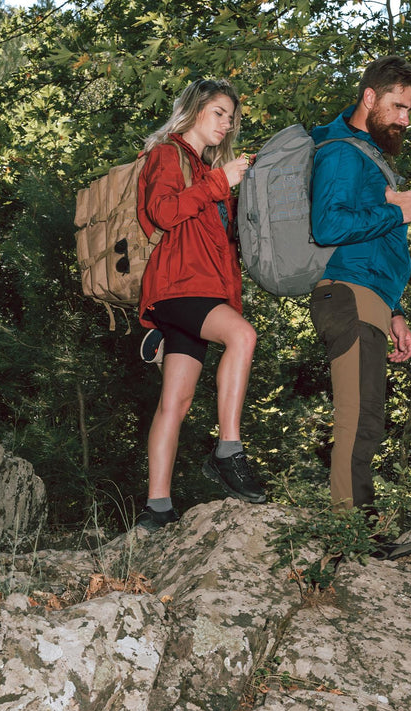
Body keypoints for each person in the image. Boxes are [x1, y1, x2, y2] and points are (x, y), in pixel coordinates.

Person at [135, 78, 266, 532]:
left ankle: (157, 508)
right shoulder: (167, 154)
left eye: (231, 117)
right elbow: (163, 212)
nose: (227, 123)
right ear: (193, 110)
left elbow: (222, 246)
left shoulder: (209, 169)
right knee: (242, 336)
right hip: (178, 287)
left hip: (204, 290)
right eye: (218, 112)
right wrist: (218, 182)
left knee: (177, 399)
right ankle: (228, 450)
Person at [309, 56, 411, 560]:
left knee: (370, 421)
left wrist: (396, 311)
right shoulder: (340, 153)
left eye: (410, 110)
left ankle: (362, 530)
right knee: (356, 420)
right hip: (347, 295)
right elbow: (328, 227)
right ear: (370, 98)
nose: (405, 118)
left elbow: (378, 250)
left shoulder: (370, 155)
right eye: (398, 106)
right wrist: (395, 208)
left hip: (372, 298)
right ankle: (352, 536)